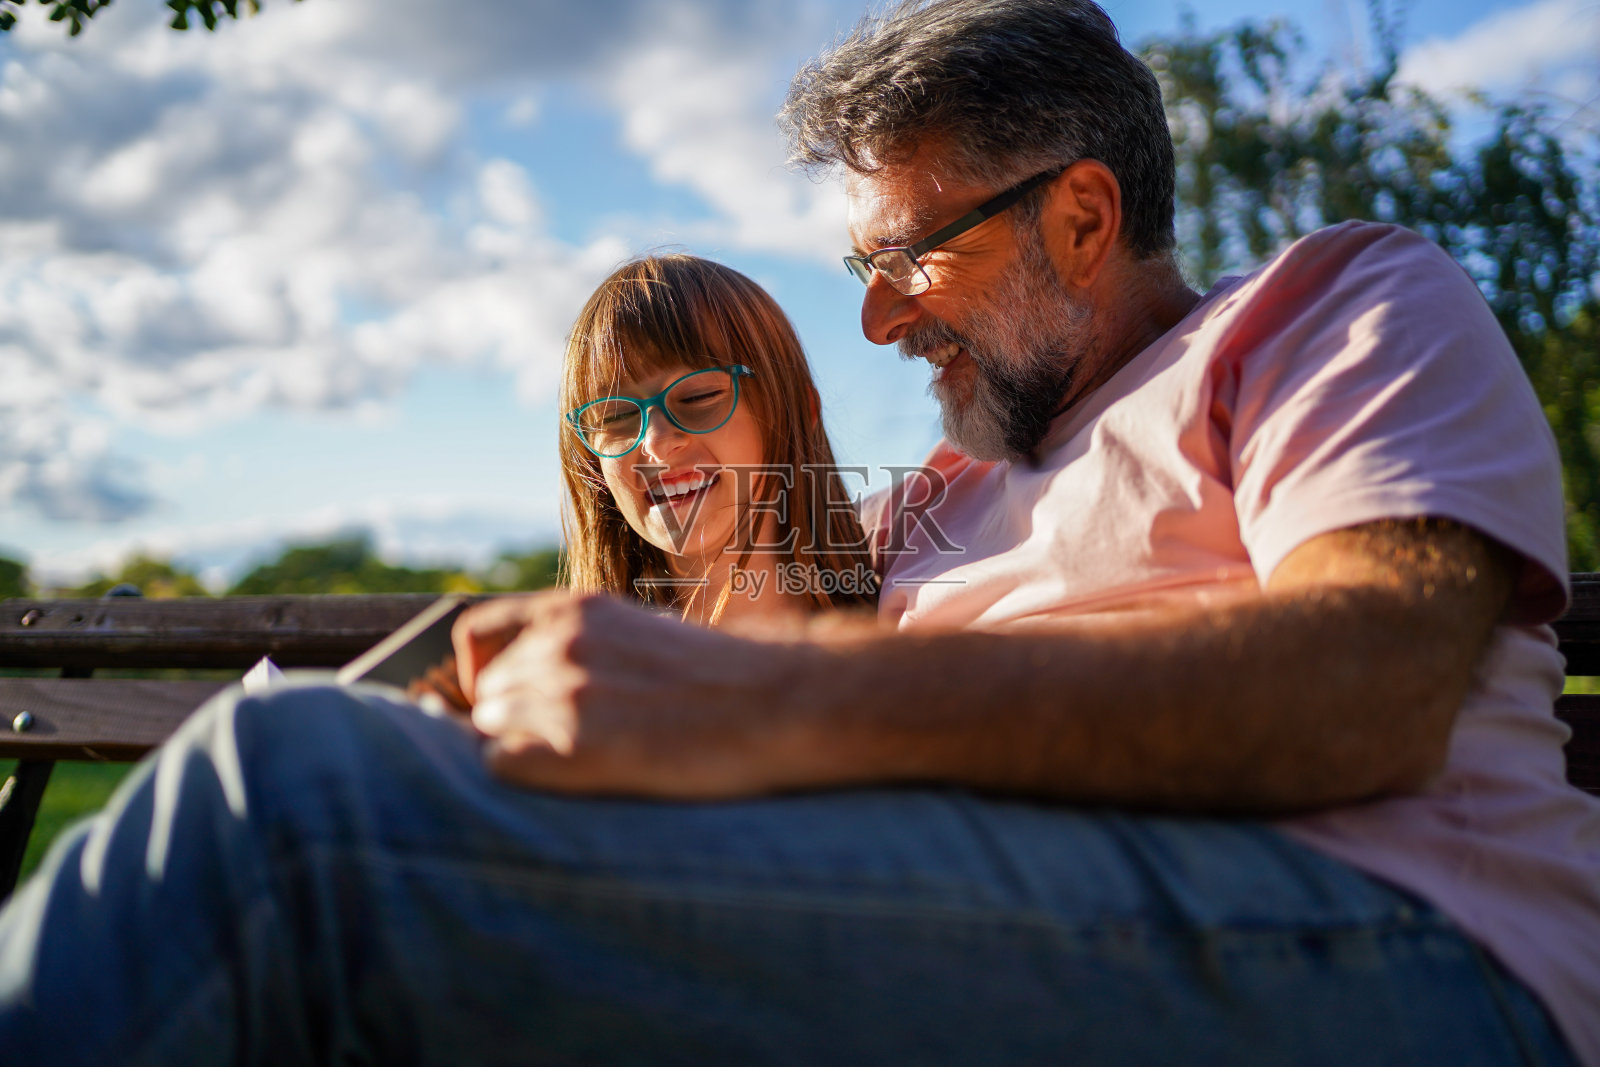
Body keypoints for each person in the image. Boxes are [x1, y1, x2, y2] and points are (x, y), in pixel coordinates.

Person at [2, 0, 1597, 1063]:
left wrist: (772, 699)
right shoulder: (944, 498)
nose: (883, 319)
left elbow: (1364, 683)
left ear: (1085, 216)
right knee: (318, 758)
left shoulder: (1337, 306)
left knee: (295, 816)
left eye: (908, 258)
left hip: (1402, 941)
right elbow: (752, 615)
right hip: (1016, 918)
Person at [557, 253, 876, 623]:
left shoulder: (911, 645)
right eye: (616, 416)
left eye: (698, 396)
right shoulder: (572, 674)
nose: (657, 442)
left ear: (800, 412)